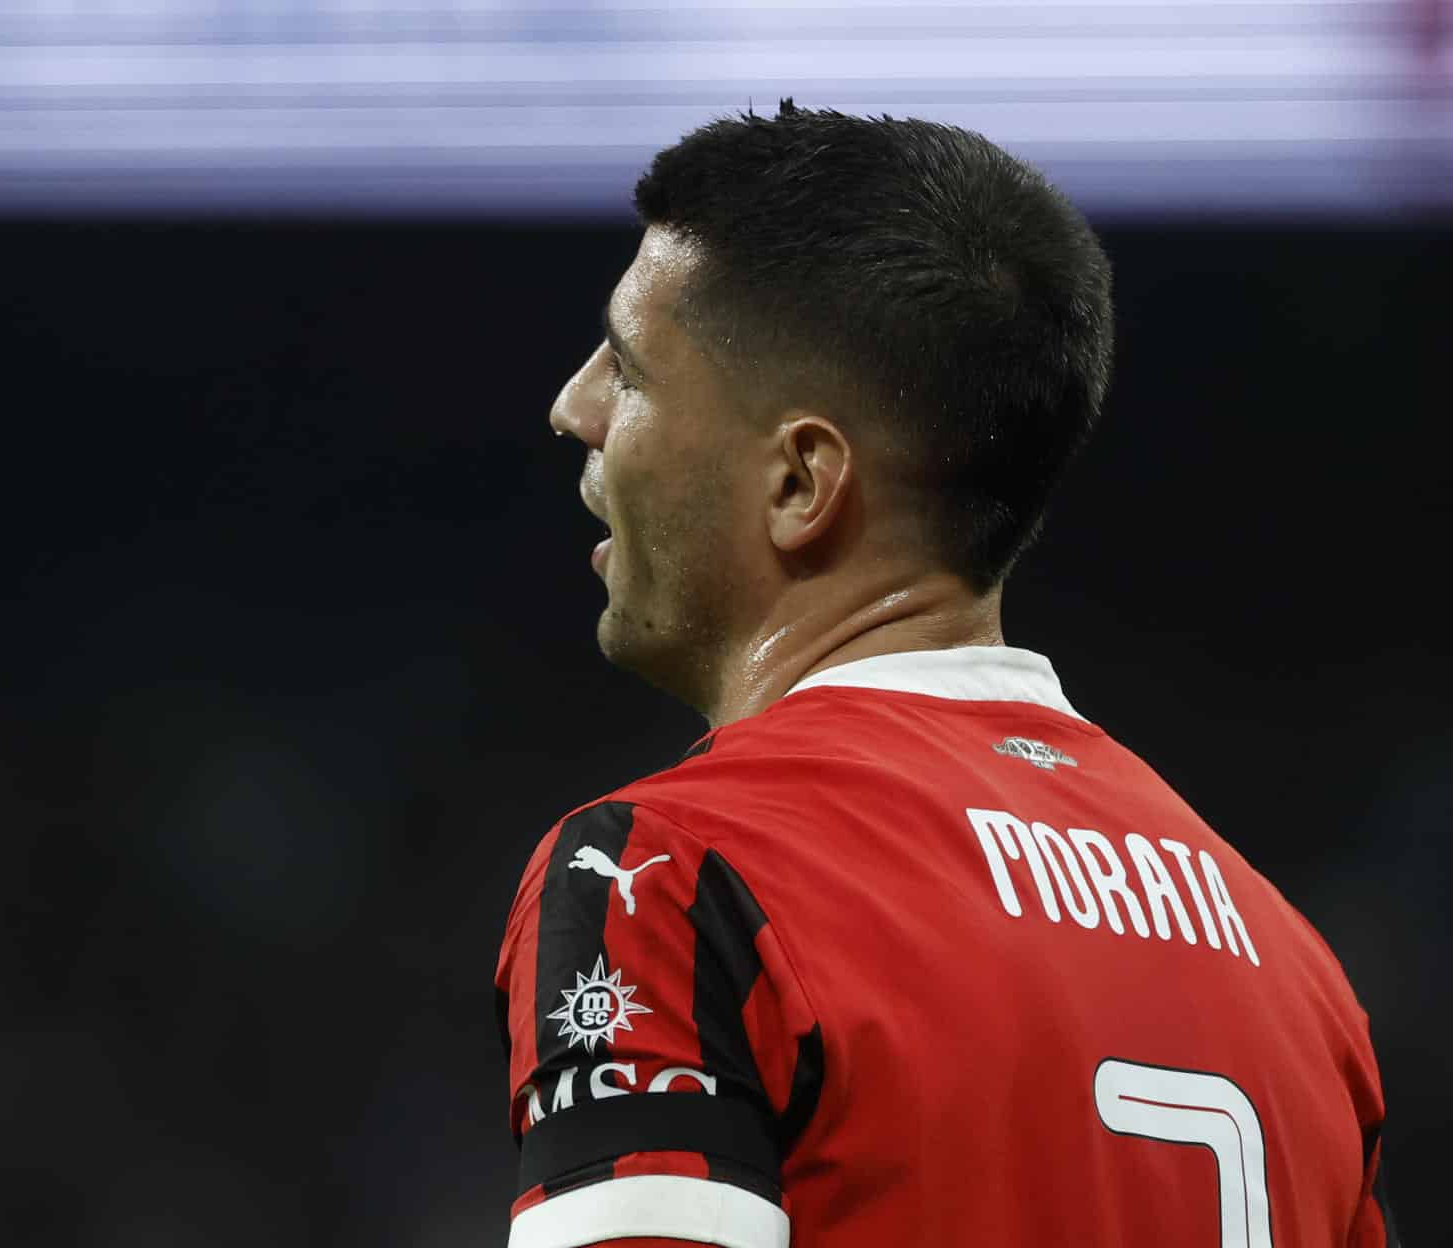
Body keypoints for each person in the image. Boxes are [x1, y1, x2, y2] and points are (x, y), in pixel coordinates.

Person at [493, 103, 1394, 1248]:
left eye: (628, 368)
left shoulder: (664, 875)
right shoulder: (1293, 970)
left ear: (800, 482)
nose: (575, 407)